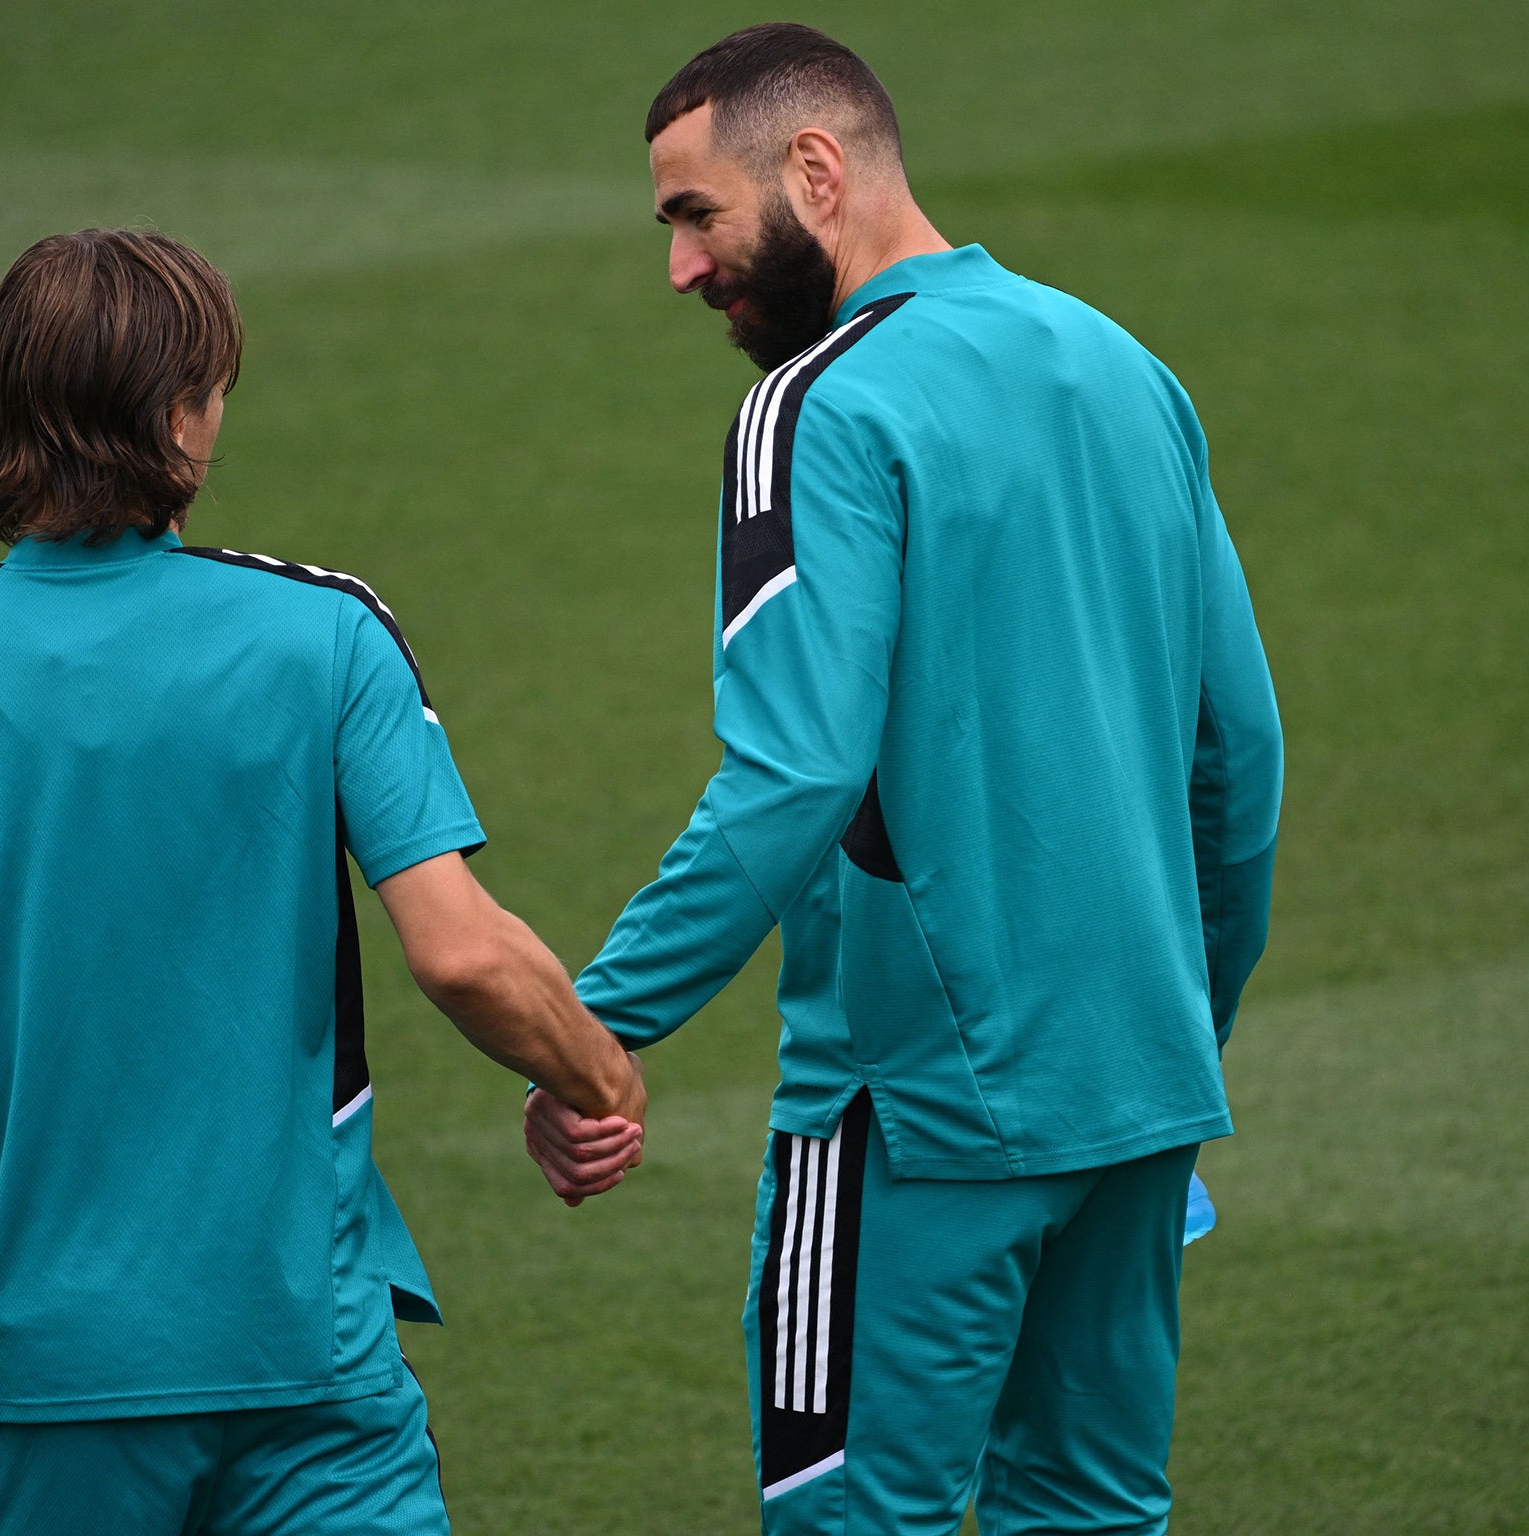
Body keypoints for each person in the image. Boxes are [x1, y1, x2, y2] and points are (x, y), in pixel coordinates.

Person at [0, 227, 643, 1535]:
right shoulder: (325, 636)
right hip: (312, 1380)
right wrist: (598, 1077)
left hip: (34, 1385)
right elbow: (464, 953)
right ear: (174, 416)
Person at [523, 24, 1282, 1535]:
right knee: (1093, 1512)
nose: (680, 268)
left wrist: (589, 1023)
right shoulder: (1124, 366)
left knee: (853, 1521)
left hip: (913, 1109)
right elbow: (1239, 764)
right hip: (1135, 1093)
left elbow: (796, 774)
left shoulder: (816, 405)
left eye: (693, 215)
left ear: (816, 169)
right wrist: (1177, 1034)